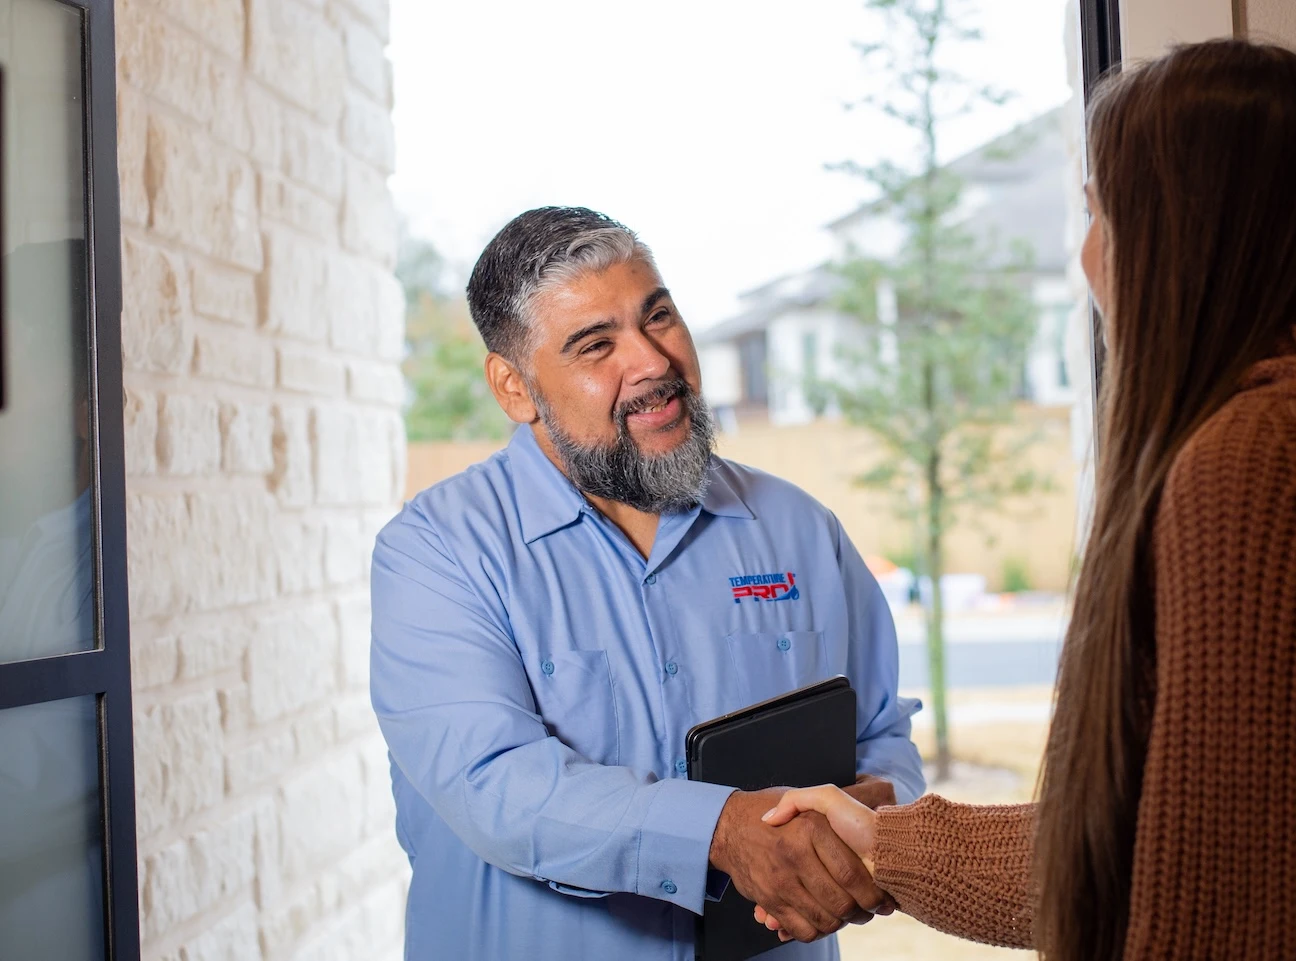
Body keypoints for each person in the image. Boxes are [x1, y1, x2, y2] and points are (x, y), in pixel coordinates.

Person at [753, 39, 1296, 960]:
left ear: (1174, 236)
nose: (1086, 254)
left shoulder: (1259, 465)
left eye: (1098, 212)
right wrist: (894, 844)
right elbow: (1170, 842)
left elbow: (1224, 911)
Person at [369, 206, 926, 959]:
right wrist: (722, 832)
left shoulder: (800, 528)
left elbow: (883, 734)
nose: (653, 361)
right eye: (597, 344)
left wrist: (875, 810)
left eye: (658, 316)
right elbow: (495, 786)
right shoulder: (437, 554)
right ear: (515, 387)